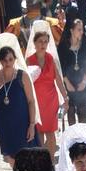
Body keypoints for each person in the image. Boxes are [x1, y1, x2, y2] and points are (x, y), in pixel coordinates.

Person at [0, 33, 39, 163]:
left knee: (27, 156)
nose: (7, 62)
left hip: (22, 122)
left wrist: (31, 125)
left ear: (15, 59)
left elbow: (31, 101)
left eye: (10, 59)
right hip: (4, 123)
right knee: (11, 159)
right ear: (0, 61)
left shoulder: (22, 76)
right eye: (4, 60)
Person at [26, 21, 66, 154]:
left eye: (45, 41)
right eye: (40, 41)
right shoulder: (29, 60)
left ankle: (51, 160)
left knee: (50, 132)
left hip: (50, 100)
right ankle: (41, 160)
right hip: (36, 101)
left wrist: (65, 97)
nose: (43, 44)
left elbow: (59, 81)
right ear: (35, 43)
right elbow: (25, 82)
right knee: (38, 132)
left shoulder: (51, 59)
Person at [58, 17, 86, 126]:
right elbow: (61, 65)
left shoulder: (84, 44)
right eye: (79, 29)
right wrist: (67, 83)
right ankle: (72, 136)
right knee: (71, 109)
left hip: (82, 80)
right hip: (68, 81)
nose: (82, 32)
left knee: (83, 109)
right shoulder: (63, 46)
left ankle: (83, 137)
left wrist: (84, 81)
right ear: (71, 30)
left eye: (82, 29)